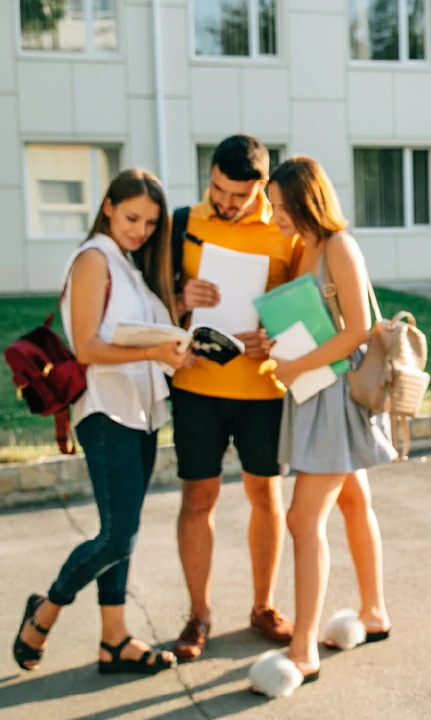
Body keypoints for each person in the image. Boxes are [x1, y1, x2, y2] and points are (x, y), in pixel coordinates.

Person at [12, 169, 189, 674]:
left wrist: (180, 315)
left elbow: (136, 330)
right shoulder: (93, 258)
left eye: (151, 224)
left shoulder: (128, 264)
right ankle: (44, 612)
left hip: (142, 410)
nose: (141, 230)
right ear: (108, 206)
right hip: (107, 412)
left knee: (123, 529)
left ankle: (114, 641)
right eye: (132, 217)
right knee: (118, 536)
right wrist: (160, 349)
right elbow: (87, 346)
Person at [248, 155, 396, 693]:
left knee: (301, 519)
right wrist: (277, 346)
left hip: (333, 396)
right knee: (354, 501)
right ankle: (374, 611)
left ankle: (304, 646)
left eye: (281, 206)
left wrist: (292, 365)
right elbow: (314, 323)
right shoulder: (303, 249)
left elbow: (357, 330)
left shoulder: (337, 245)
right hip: (316, 392)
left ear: (306, 202)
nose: (275, 215)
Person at [170, 135, 303, 661]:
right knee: (197, 500)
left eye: (239, 197)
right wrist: (181, 299)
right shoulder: (183, 222)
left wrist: (273, 335)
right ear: (210, 176)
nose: (226, 204)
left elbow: (302, 309)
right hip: (195, 387)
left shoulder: (284, 229)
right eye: (219, 191)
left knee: (265, 496)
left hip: (262, 387)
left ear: (262, 189)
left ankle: (264, 606)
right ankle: (198, 614)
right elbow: (152, 299)